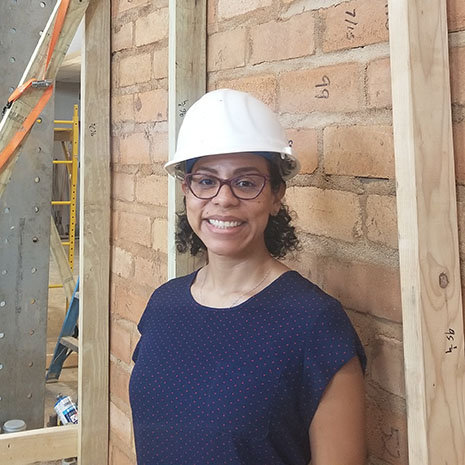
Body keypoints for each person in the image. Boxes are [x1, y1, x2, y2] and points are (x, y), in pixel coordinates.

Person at [129, 89, 367, 465]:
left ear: (276, 196)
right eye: (206, 181)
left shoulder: (315, 324)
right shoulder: (163, 305)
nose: (223, 199)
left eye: (246, 182)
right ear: (186, 192)